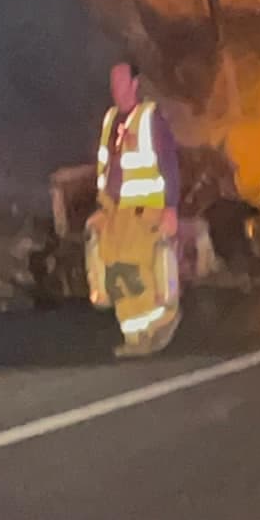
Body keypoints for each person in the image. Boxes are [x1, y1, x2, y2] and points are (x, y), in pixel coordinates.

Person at [86, 61, 182, 357]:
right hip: (115, 212)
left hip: (145, 210)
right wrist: (101, 206)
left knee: (141, 268)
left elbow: (169, 164)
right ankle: (134, 337)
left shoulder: (149, 118)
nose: (116, 89)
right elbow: (106, 166)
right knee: (116, 273)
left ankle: (162, 323)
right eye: (113, 83)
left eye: (121, 82)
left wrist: (171, 207)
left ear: (135, 84)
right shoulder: (110, 120)